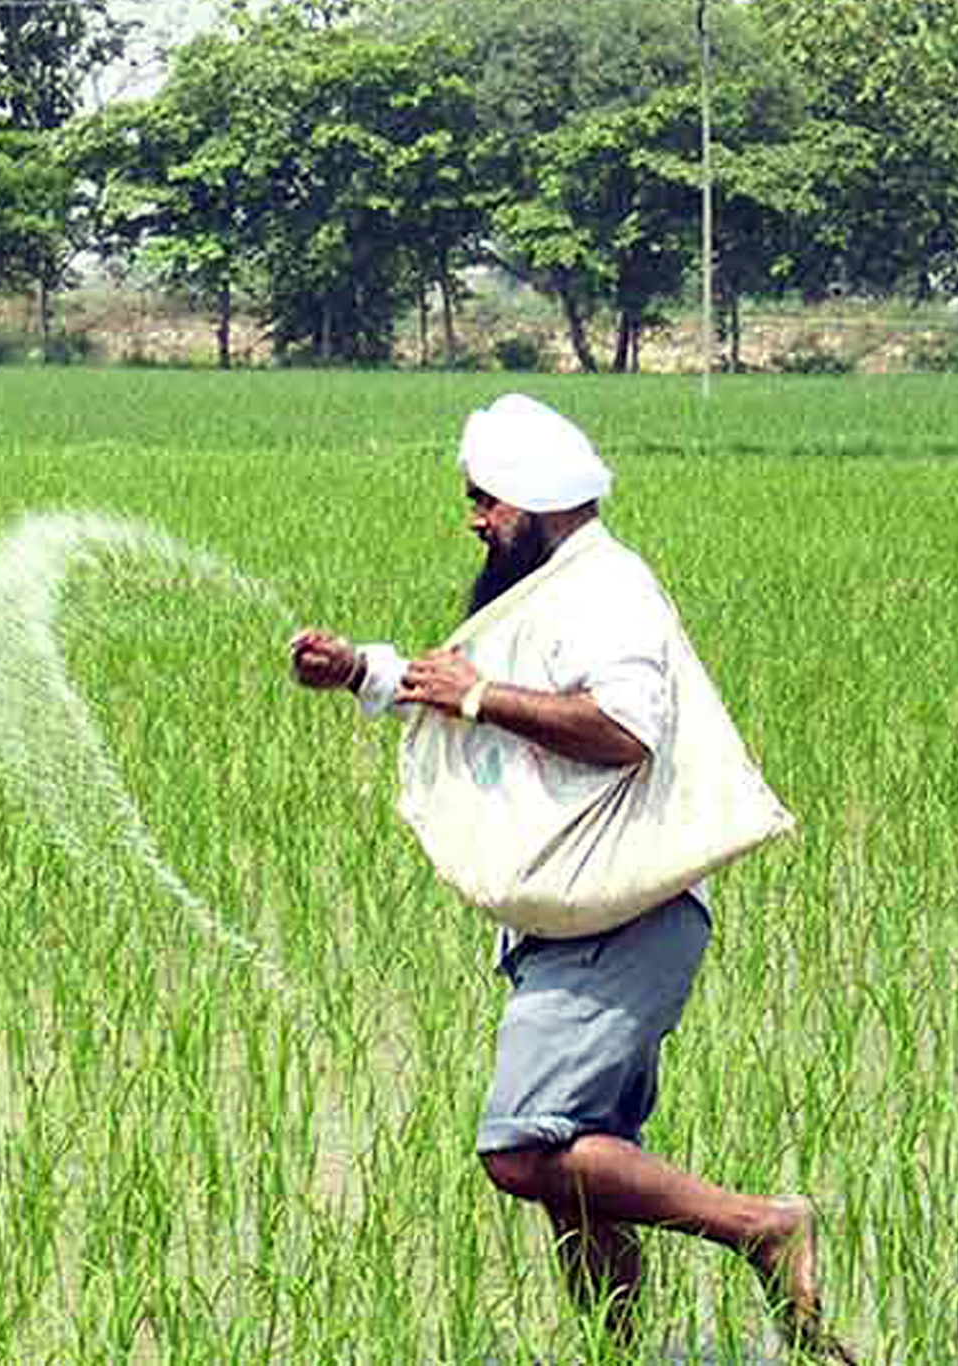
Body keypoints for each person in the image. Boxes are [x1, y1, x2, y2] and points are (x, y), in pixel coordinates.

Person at [285, 394, 853, 1361]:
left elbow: (621, 730)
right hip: (576, 919)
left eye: (485, 501)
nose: (474, 519)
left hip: (625, 914)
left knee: (522, 1150)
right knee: (576, 1176)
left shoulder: (607, 591)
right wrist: (360, 671)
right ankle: (617, 1353)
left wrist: (477, 697)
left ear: (537, 502)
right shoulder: (548, 586)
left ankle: (764, 1226)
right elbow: (470, 678)